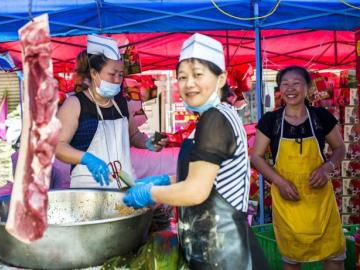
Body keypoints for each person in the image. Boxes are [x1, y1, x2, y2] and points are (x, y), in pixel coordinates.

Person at [122, 33, 269, 270]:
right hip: (214, 250)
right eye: (182, 77)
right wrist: (166, 180)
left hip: (225, 255)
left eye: (198, 75)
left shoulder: (215, 120)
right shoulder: (214, 117)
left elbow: (196, 191)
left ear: (221, 79)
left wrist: (152, 193)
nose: (189, 83)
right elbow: (207, 178)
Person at [251, 66, 346, 270]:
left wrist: (327, 167)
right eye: (285, 84)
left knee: (334, 257)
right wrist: (280, 182)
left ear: (308, 87)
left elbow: (340, 149)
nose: (290, 88)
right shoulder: (270, 121)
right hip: (288, 200)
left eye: (296, 83)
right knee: (292, 259)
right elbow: (256, 157)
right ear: (279, 89)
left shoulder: (320, 117)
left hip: (320, 202)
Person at [55, 34, 166, 188]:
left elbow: (134, 136)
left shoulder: (122, 103)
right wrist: (86, 158)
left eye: (120, 75)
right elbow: (58, 146)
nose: (117, 80)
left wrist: (148, 143)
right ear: (94, 74)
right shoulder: (74, 104)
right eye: (112, 74)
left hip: (125, 186)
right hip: (89, 190)